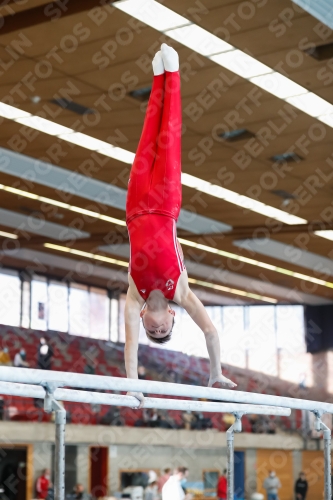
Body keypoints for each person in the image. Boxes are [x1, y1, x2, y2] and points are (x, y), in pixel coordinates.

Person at [124, 43, 236, 407]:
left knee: (146, 137)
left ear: (143, 318)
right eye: (163, 330)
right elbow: (210, 330)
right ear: (172, 316)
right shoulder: (182, 293)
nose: (157, 328)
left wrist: (132, 385)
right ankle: (172, 74)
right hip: (166, 205)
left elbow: (130, 348)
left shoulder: (132, 295)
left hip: (136, 206)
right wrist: (215, 372)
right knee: (168, 136)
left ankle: (157, 77)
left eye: (151, 331)